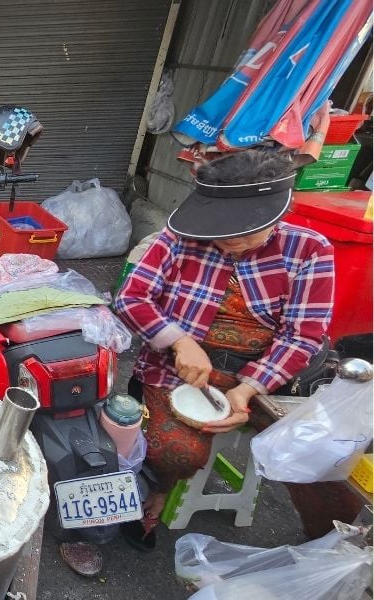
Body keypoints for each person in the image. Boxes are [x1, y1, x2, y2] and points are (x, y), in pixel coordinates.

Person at [113, 150, 363, 550]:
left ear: (275, 216)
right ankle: (156, 494)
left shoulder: (309, 250)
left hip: (274, 380)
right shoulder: (180, 237)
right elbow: (131, 298)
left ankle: (329, 551)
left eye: (243, 233)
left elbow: (302, 337)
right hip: (177, 372)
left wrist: (248, 389)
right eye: (220, 232)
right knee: (176, 451)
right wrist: (179, 341)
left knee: (327, 462)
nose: (228, 243)